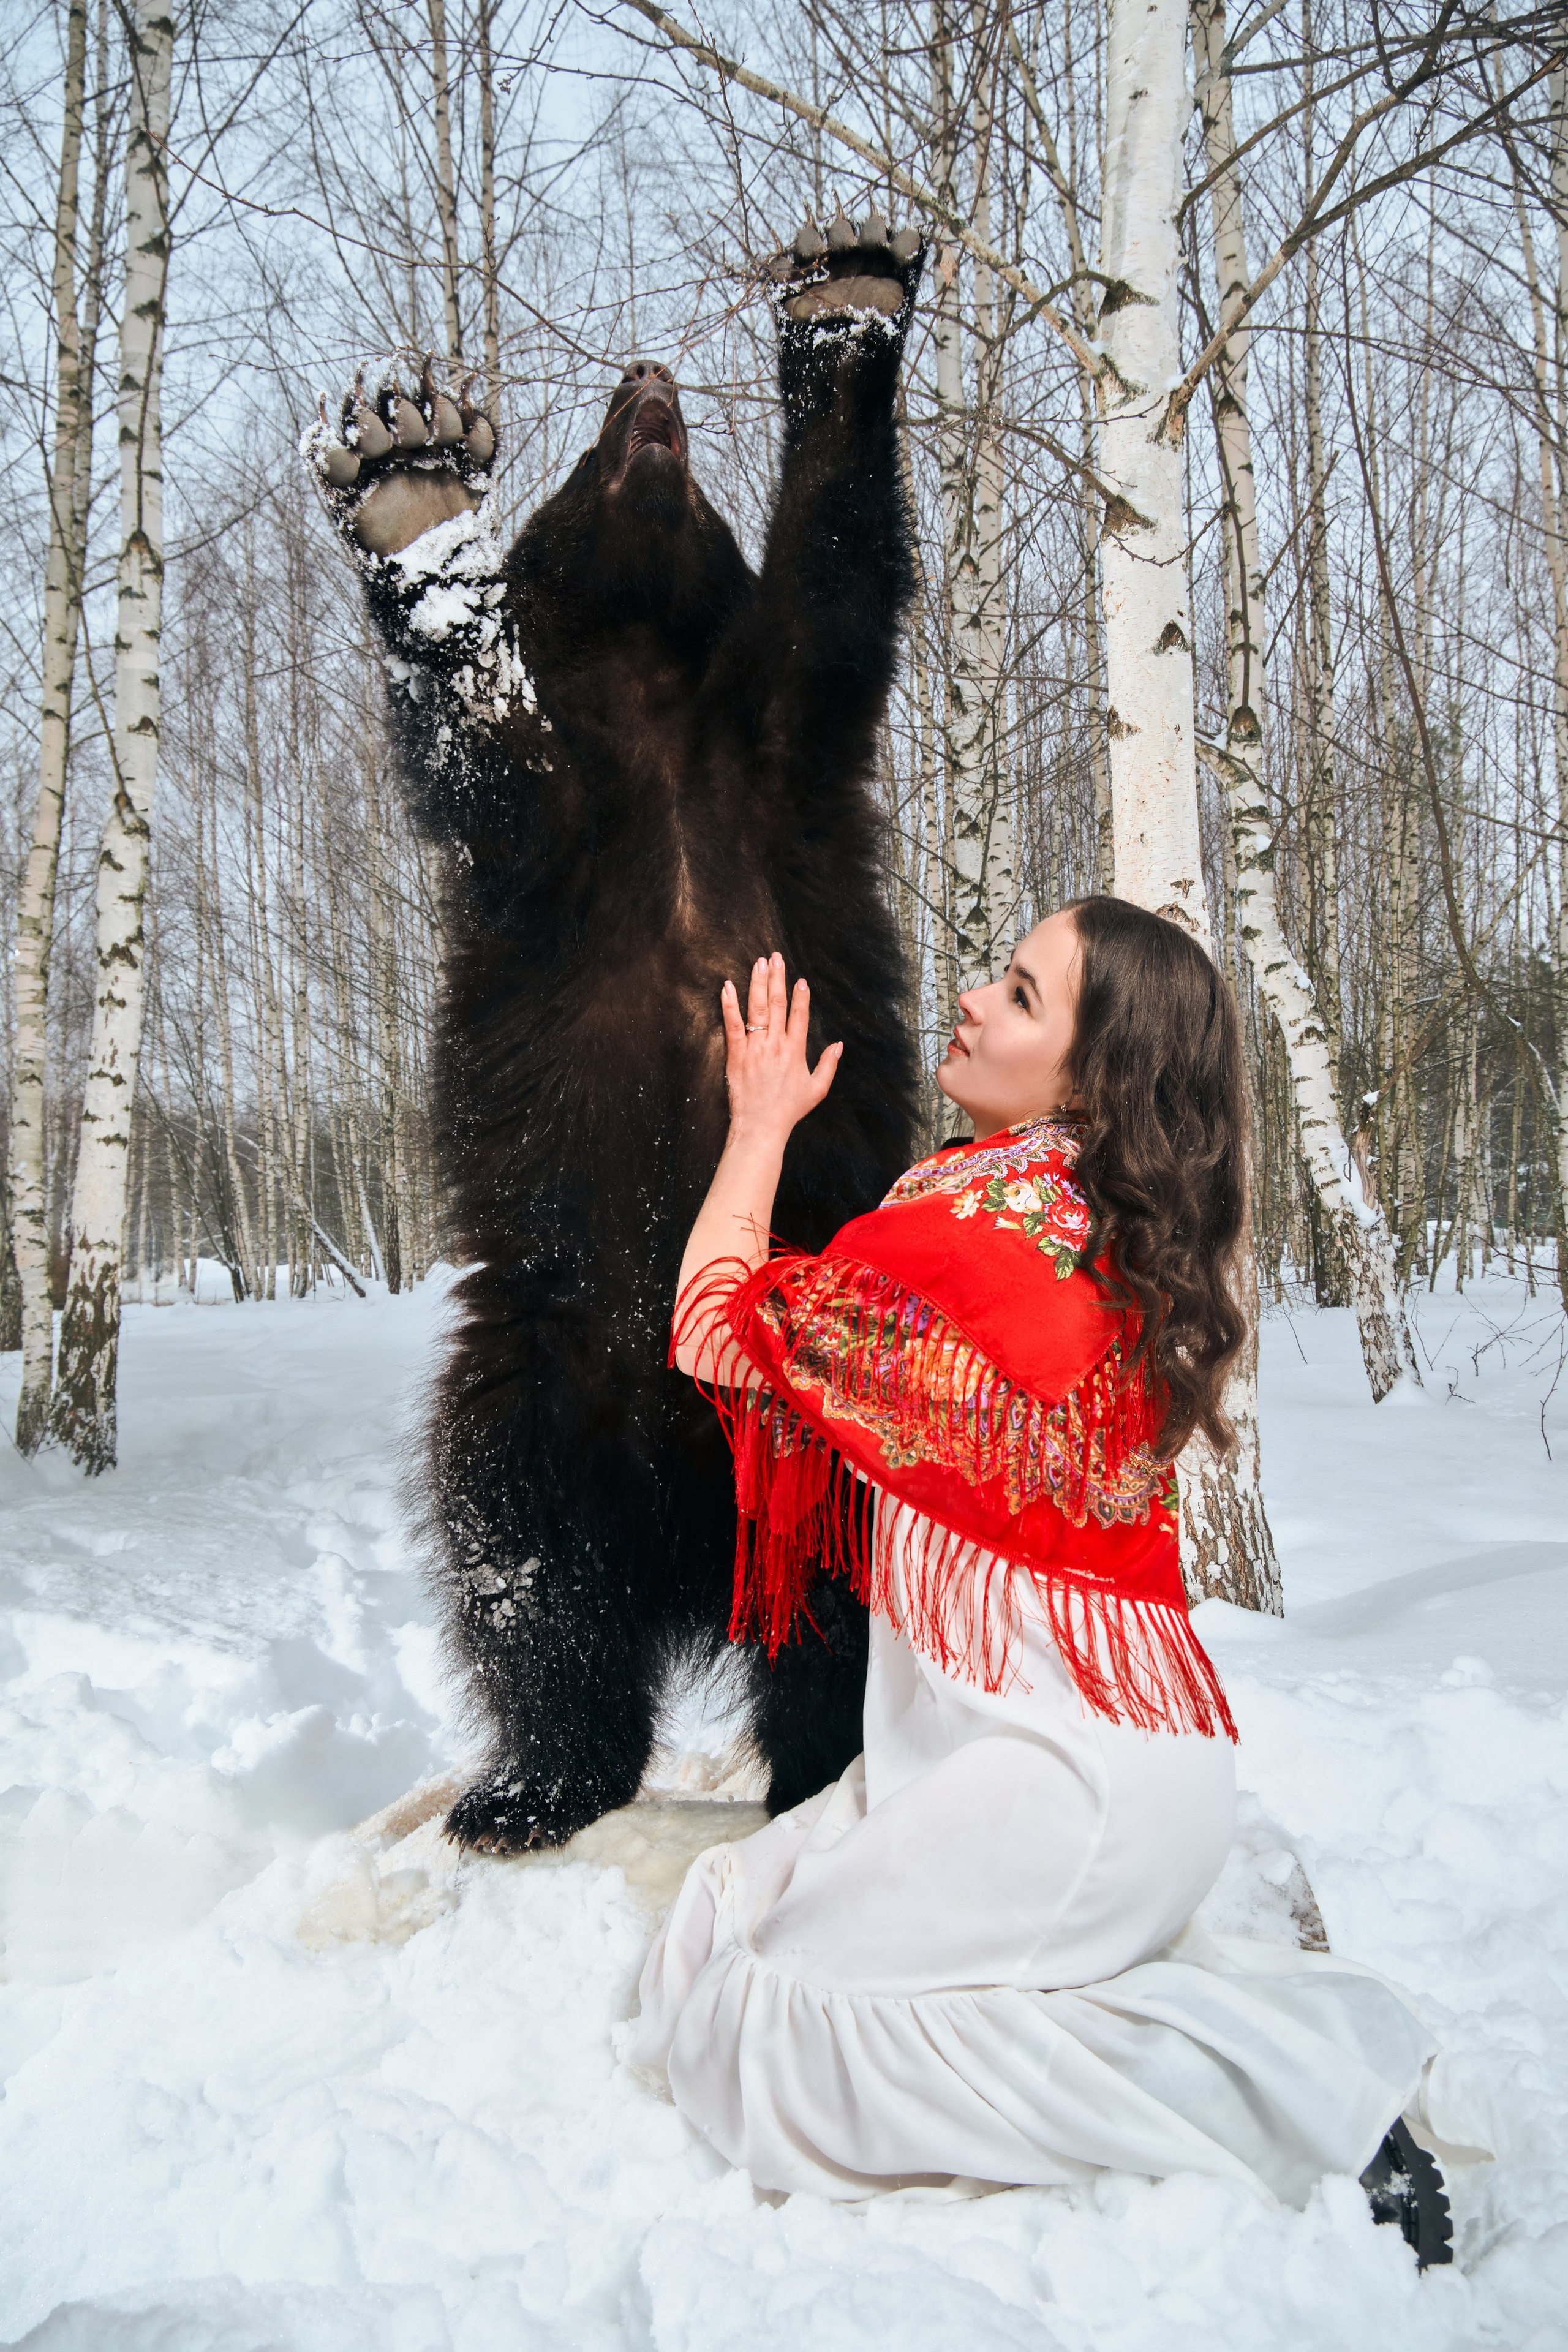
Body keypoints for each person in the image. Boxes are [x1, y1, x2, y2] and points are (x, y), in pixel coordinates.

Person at [630, 898, 1452, 2265]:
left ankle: (1303, 2113)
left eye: (1017, 992)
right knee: (750, 1904)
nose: (971, 998)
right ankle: (1216, 2040)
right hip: (1110, 1771)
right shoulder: (1083, 1229)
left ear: (1089, 1077)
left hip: (1053, 1791)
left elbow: (713, 1324)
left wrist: (759, 1123)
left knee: (756, 2042)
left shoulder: (974, 1253)